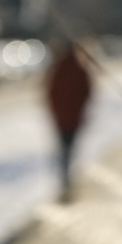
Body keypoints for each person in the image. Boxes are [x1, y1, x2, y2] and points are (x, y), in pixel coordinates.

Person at [44, 39, 93, 202]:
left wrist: (55, 112)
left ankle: (65, 181)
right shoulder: (79, 68)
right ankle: (67, 181)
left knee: (64, 151)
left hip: (61, 118)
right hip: (74, 118)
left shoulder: (57, 68)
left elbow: (50, 93)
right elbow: (87, 93)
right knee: (70, 150)